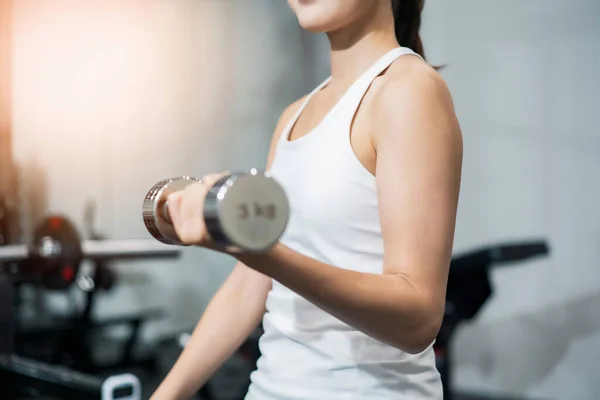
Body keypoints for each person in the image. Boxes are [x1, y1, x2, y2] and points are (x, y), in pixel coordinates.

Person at [151, 0, 462, 399]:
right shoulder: (294, 117)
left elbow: (417, 320)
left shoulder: (409, 91)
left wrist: (256, 250)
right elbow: (249, 287)